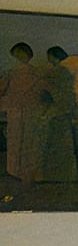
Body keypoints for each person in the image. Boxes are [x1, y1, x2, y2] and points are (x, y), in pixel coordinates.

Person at [0, 43, 51, 184]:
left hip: (26, 111)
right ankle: (18, 172)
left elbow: (43, 95)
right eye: (16, 55)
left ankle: (26, 174)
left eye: (20, 54)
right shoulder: (12, 72)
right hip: (17, 111)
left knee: (27, 141)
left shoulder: (33, 73)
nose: (18, 57)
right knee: (17, 141)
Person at [40, 46, 78, 183]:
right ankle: (66, 176)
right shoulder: (65, 72)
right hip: (64, 111)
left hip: (57, 112)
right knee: (64, 145)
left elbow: (51, 94)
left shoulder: (55, 73)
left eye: (49, 55)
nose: (48, 58)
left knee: (57, 145)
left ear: (53, 56)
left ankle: (59, 177)